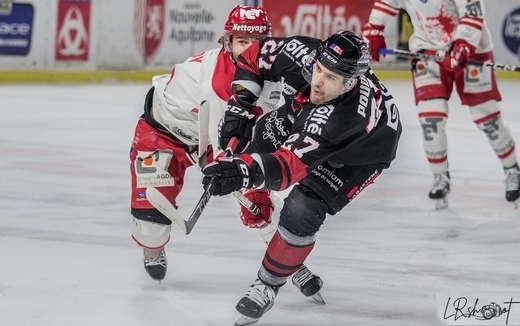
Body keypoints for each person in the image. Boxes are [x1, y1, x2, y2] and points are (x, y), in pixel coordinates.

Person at [201, 31, 402, 325]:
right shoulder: (304, 55)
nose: (318, 81)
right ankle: (276, 236)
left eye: (331, 77)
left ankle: (267, 285)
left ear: (351, 82)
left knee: (302, 207)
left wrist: (242, 172)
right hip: (311, 115)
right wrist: (241, 105)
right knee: (261, 135)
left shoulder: (343, 119)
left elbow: (286, 168)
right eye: (318, 69)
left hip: (361, 154)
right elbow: (252, 54)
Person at [128, 5, 323, 301]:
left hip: (206, 137)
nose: (249, 48)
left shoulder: (272, 70)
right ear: (228, 41)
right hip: (162, 136)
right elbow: (227, 145)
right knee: (150, 227)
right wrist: (241, 179)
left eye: (256, 41)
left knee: (260, 199)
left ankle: (291, 264)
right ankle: (152, 251)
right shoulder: (218, 80)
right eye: (242, 41)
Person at [362, 0, 520, 209]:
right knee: (431, 119)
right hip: (426, 53)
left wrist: (464, 41)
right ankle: (440, 176)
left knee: (487, 117)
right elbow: (387, 3)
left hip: (472, 52)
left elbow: (472, 11)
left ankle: (512, 170)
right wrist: (374, 28)